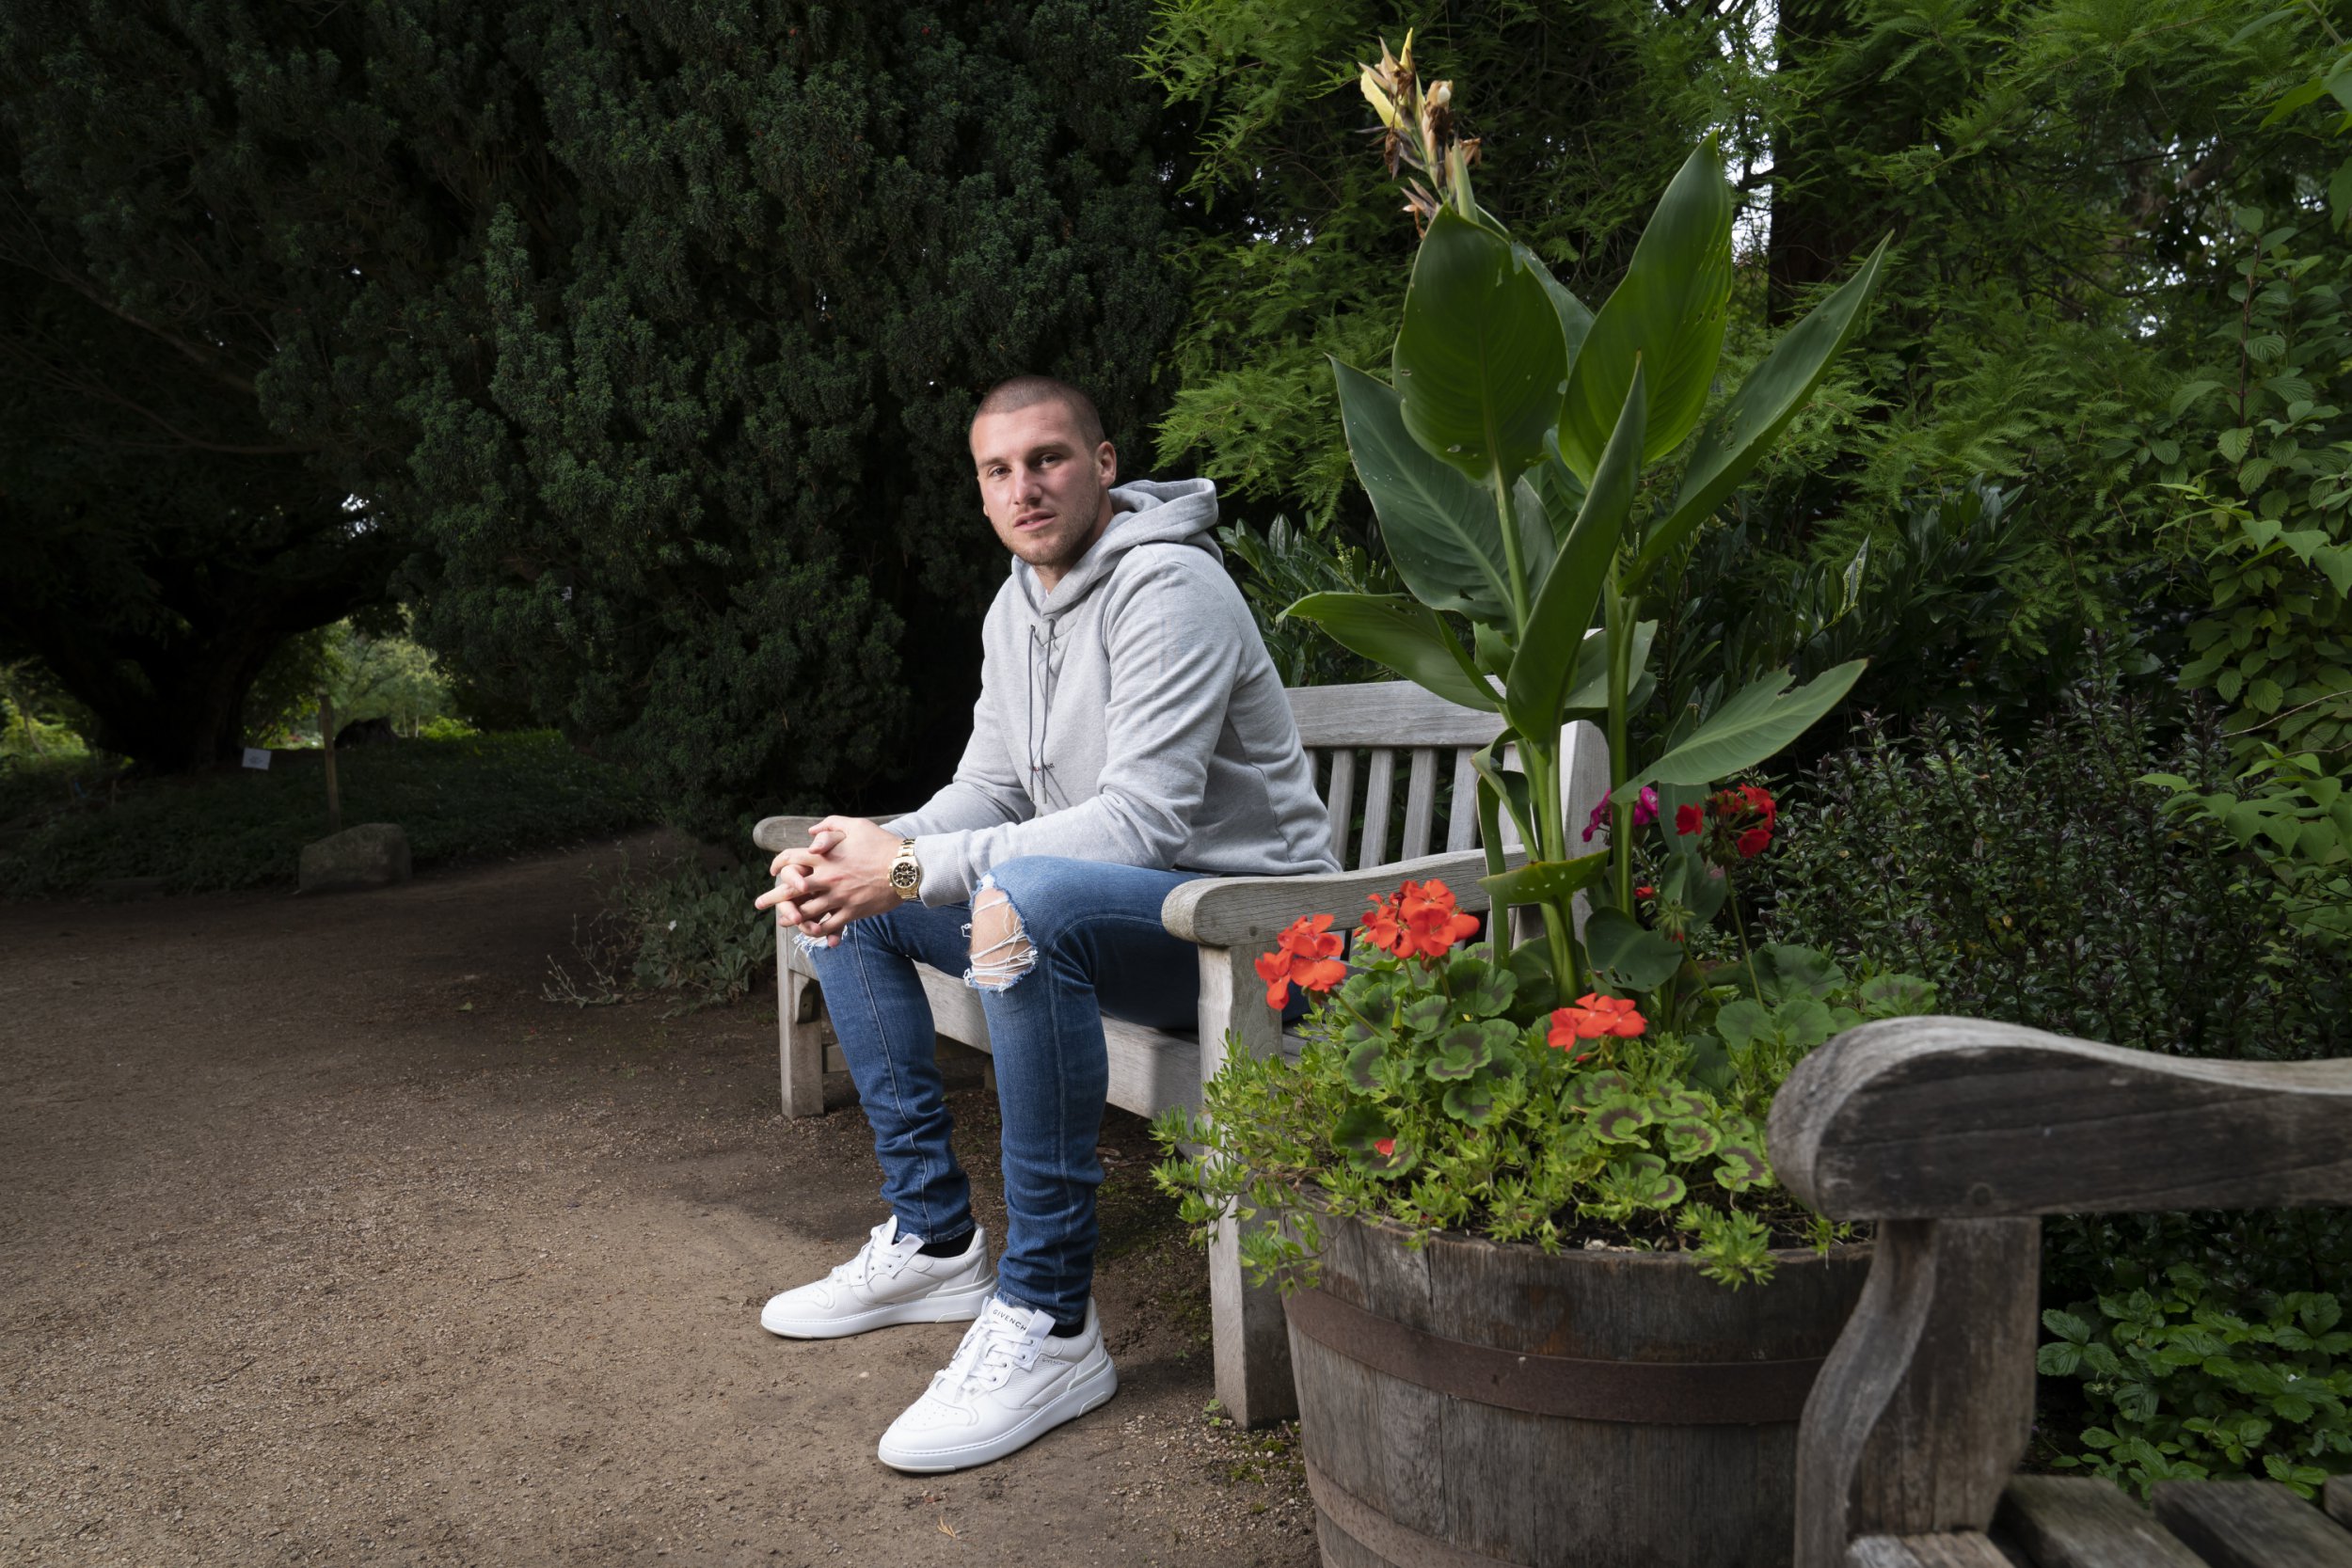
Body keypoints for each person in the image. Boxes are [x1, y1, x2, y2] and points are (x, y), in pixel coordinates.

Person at [752, 374, 1337, 1473]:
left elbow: (1144, 821)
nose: (1025, 486)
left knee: (1009, 902)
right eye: (997, 469)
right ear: (979, 490)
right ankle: (932, 1239)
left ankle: (1053, 1314)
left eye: (1049, 458)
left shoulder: (1172, 589)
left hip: (1263, 939)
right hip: (1125, 927)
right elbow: (990, 788)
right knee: (853, 907)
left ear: (1104, 464)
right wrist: (868, 846)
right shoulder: (1013, 607)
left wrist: (917, 863)